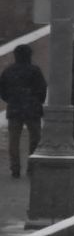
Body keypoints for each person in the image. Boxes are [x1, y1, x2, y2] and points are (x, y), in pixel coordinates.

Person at [1, 45, 47, 178]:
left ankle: (15, 168)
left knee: (14, 140)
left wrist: (11, 99)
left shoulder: (9, 71)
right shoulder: (35, 70)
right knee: (35, 138)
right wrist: (38, 101)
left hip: (15, 108)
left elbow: (2, 91)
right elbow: (42, 89)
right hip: (32, 109)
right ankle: (32, 166)